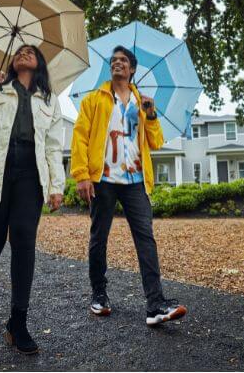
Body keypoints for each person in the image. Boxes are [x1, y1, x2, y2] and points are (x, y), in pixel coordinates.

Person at [71, 45, 188, 326]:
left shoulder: (142, 102)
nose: (117, 64)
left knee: (146, 239)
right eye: (114, 61)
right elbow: (81, 137)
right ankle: (99, 294)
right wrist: (81, 174)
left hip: (136, 180)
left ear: (132, 69)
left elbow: (155, 142)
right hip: (103, 179)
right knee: (99, 237)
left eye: (123, 61)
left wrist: (151, 115)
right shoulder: (95, 100)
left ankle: (155, 305)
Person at [0, 44, 65, 355]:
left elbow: (53, 146)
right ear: (11, 62)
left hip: (30, 176)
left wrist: (56, 185)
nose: (23, 53)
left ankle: (17, 322)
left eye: (30, 51)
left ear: (40, 63)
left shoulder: (49, 100)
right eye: (19, 50)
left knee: (23, 241)